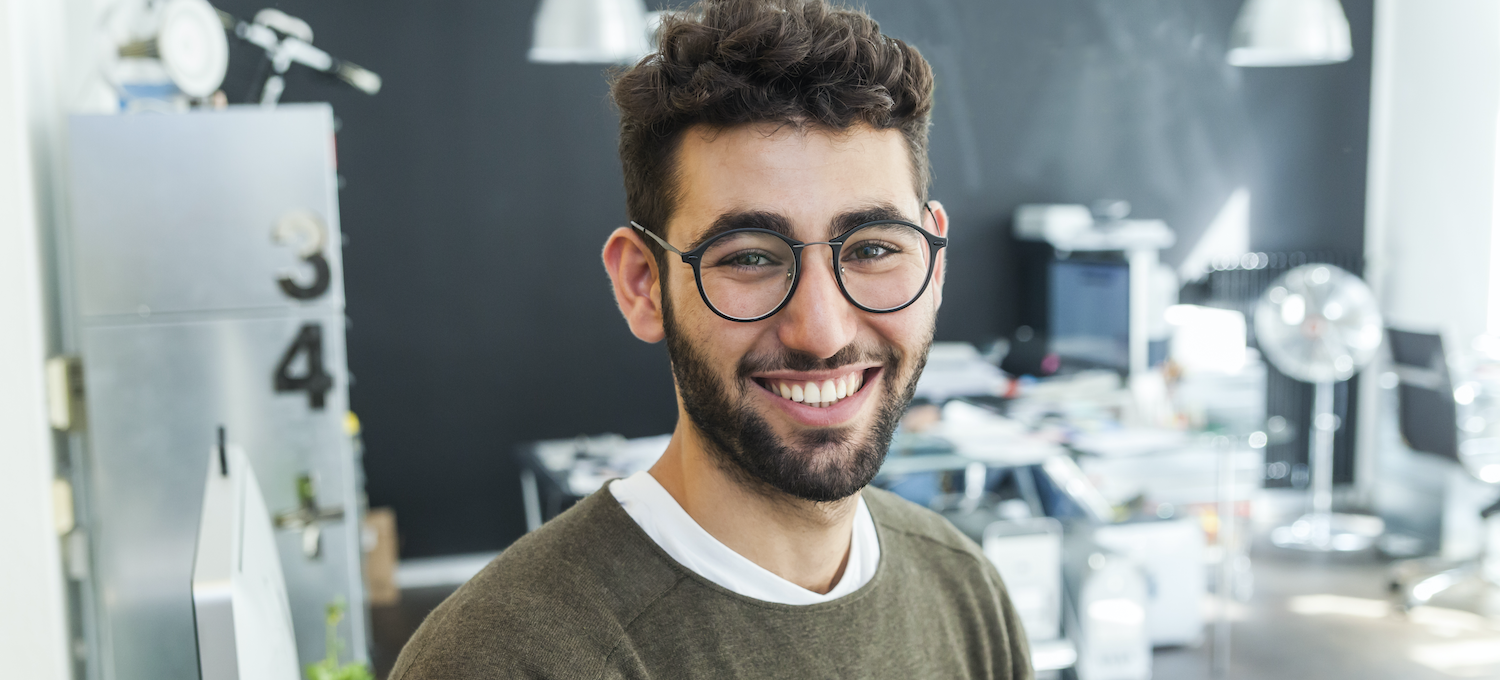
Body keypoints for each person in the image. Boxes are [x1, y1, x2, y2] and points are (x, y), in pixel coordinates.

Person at [391, 0, 1031, 677]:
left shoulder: (963, 588)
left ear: (934, 262)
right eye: (750, 257)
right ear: (643, 285)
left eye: (872, 249)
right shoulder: (505, 660)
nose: (822, 332)